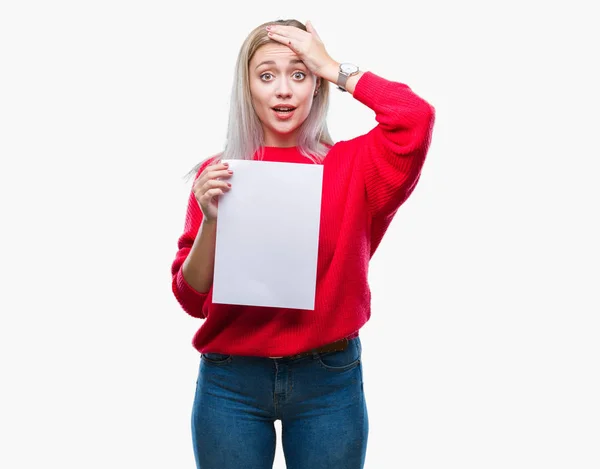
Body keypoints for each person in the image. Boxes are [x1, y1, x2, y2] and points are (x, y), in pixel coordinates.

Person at [170, 18, 435, 469]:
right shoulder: (218, 174)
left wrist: (333, 66)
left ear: (316, 85)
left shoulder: (354, 167)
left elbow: (414, 117)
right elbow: (191, 298)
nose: (283, 91)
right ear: (247, 87)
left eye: (299, 74)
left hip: (328, 380)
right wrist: (214, 222)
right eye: (266, 75)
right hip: (231, 381)